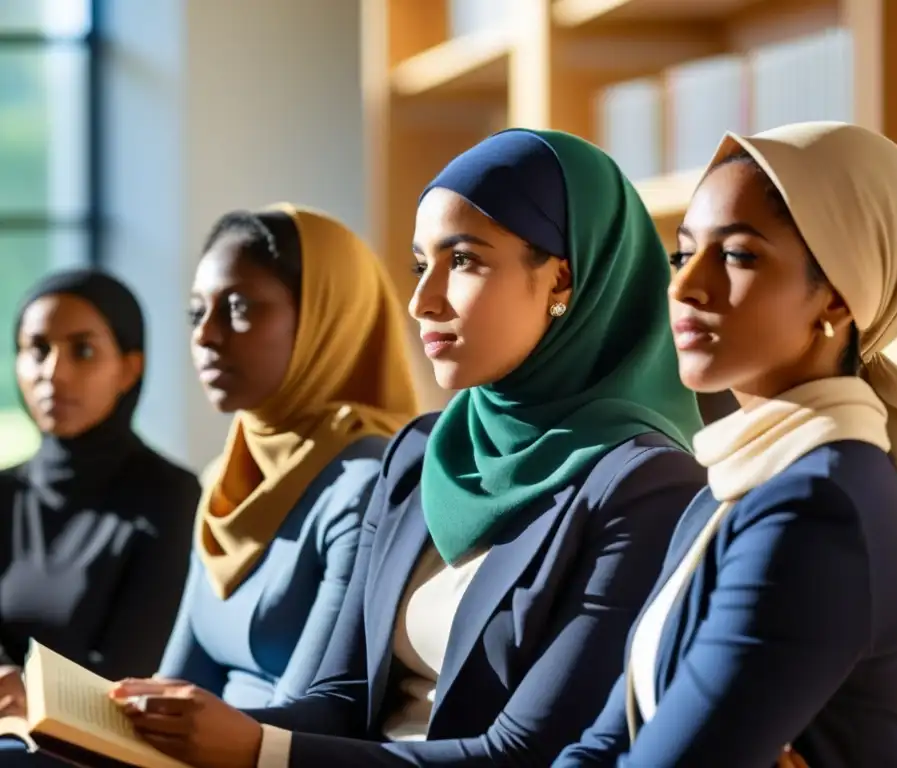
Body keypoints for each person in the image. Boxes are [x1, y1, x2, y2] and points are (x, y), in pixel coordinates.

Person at [110, 129, 707, 767]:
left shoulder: (644, 486)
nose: (423, 301)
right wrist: (145, 724)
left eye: (465, 261)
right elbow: (339, 699)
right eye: (422, 265)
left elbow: (527, 753)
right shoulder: (421, 452)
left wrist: (262, 752)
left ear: (562, 277)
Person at [554, 121, 897, 767]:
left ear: (839, 298)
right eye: (683, 254)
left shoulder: (819, 504)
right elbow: (610, 738)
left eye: (737, 256)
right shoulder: (738, 475)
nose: (685, 287)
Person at [153, 204, 419, 710]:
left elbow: (305, 719)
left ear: (326, 318)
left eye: (239, 308)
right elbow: (180, 678)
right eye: (196, 312)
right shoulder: (228, 477)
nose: (205, 335)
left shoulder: (367, 485)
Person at [0, 270, 200, 739]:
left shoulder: (168, 496)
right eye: (37, 349)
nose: (53, 372)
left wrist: (29, 692)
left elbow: (131, 672)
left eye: (82, 350)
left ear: (130, 368)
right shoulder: (4, 494)